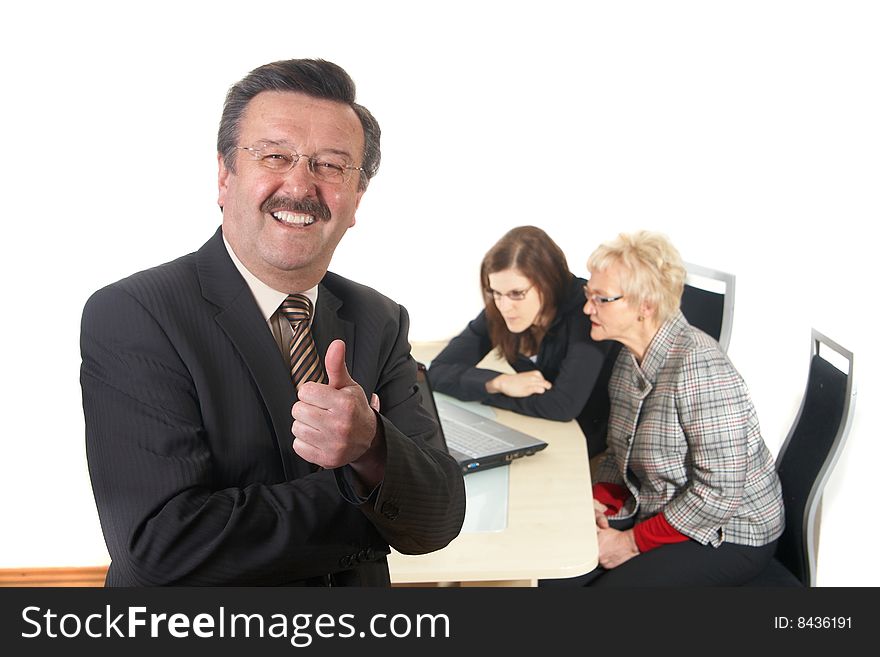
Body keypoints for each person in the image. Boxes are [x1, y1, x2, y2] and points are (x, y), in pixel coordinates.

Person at [80, 59, 465, 586]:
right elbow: (162, 545)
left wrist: (372, 444)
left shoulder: (379, 319)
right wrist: (373, 494)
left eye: (332, 165)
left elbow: (440, 516)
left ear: (356, 200)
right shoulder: (136, 314)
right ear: (224, 175)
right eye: (275, 156)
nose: (301, 186)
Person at [557, 230, 784, 586]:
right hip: (658, 508)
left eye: (601, 299)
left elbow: (719, 493)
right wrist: (600, 501)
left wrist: (629, 543)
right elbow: (619, 456)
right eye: (589, 296)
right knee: (555, 576)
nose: (588, 309)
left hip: (730, 532)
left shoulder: (700, 368)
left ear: (644, 307)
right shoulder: (628, 359)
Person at [428, 226, 618, 458]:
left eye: (517, 293)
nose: (504, 306)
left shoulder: (587, 310)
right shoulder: (501, 305)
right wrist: (498, 383)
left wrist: (481, 390)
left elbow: (562, 405)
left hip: (586, 443)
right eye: (495, 293)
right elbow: (437, 372)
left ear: (547, 283)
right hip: (535, 429)